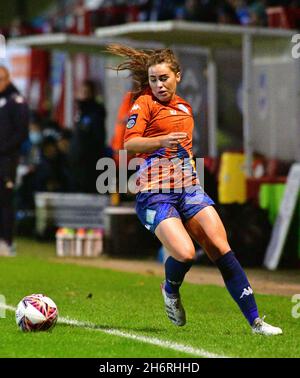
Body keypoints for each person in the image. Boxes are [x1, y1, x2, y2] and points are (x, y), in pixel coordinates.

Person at [106, 44, 282, 336]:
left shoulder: (185, 108)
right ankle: (170, 290)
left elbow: (183, 151)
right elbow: (130, 144)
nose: (158, 85)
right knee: (186, 254)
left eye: (163, 78)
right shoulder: (143, 105)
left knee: (221, 249)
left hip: (187, 188)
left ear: (177, 76)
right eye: (152, 79)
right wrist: (161, 141)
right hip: (154, 193)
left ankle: (256, 322)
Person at [0, 66, 29, 255]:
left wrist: (2, 150)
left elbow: (21, 132)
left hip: (7, 160)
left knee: (6, 200)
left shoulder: (16, 101)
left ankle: (6, 241)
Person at [69, 79, 106, 193]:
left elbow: (98, 139)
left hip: (89, 164)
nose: (84, 95)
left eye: (87, 92)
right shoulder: (80, 112)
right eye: (82, 92)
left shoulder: (95, 113)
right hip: (77, 163)